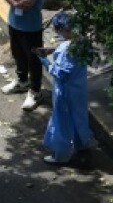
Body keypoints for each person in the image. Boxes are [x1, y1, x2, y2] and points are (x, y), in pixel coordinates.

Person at [39, 12, 93, 165]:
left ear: (64, 30)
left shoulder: (66, 49)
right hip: (79, 89)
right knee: (79, 117)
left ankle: (60, 155)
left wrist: (46, 63)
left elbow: (61, 73)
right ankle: (82, 144)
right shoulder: (83, 43)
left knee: (61, 121)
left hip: (65, 91)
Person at [0, 0, 47, 112]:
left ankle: (35, 91)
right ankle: (22, 81)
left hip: (31, 26)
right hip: (14, 22)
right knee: (18, 54)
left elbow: (28, 4)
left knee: (33, 59)